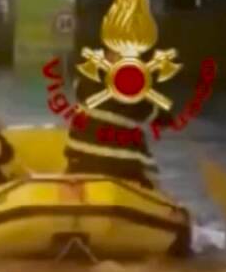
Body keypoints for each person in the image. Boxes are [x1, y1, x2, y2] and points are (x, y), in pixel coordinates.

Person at [65, 52, 170, 189]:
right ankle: (155, 196)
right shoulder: (139, 98)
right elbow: (165, 121)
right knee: (151, 175)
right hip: (125, 169)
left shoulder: (84, 84)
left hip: (81, 165)